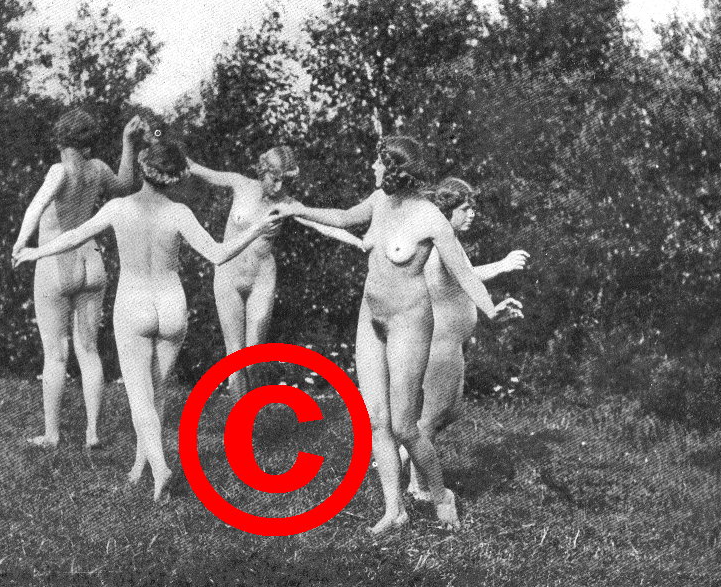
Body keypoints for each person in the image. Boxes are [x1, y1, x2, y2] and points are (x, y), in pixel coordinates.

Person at [15, 137, 283, 502]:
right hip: (172, 305)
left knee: (140, 396)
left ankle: (159, 467)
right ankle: (141, 465)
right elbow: (219, 254)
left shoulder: (118, 207)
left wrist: (35, 252)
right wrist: (257, 230)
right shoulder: (180, 213)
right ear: (174, 178)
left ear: (143, 169)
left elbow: (74, 236)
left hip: (135, 303)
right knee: (157, 391)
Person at [278, 137, 523, 533]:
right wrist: (297, 208)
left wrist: (492, 310)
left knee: (405, 427)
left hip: (409, 321)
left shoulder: (430, 217)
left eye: (378, 163)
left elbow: (463, 272)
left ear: (395, 169)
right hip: (370, 317)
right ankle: (394, 511)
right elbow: (343, 217)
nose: (373, 169)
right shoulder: (379, 200)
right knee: (376, 420)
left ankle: (441, 495)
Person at [11, 109, 146, 449]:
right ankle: (93, 433)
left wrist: (21, 242)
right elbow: (126, 186)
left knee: (56, 353)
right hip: (91, 261)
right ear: (87, 143)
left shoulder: (59, 170)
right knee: (89, 349)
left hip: (57, 262)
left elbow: (36, 206)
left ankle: (52, 435)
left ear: (60, 140)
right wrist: (128, 143)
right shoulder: (97, 168)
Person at [187, 147, 365, 396]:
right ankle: (241, 416)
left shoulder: (288, 204)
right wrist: (164, 147)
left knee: (253, 356)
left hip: (261, 278)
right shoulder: (240, 184)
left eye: (285, 181)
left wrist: (359, 242)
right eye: (275, 178)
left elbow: (324, 226)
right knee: (234, 357)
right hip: (228, 276)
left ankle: (254, 407)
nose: (280, 187)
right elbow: (197, 169)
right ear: (263, 171)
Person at [401, 177, 529, 500]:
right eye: (464, 208)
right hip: (439, 343)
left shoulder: (448, 240)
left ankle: (403, 455)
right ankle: (419, 487)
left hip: (449, 342)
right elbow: (467, 277)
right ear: (447, 211)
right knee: (430, 419)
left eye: (472, 207)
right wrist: (503, 265)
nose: (472, 214)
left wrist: (499, 270)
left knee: (451, 410)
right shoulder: (439, 244)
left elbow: (465, 274)